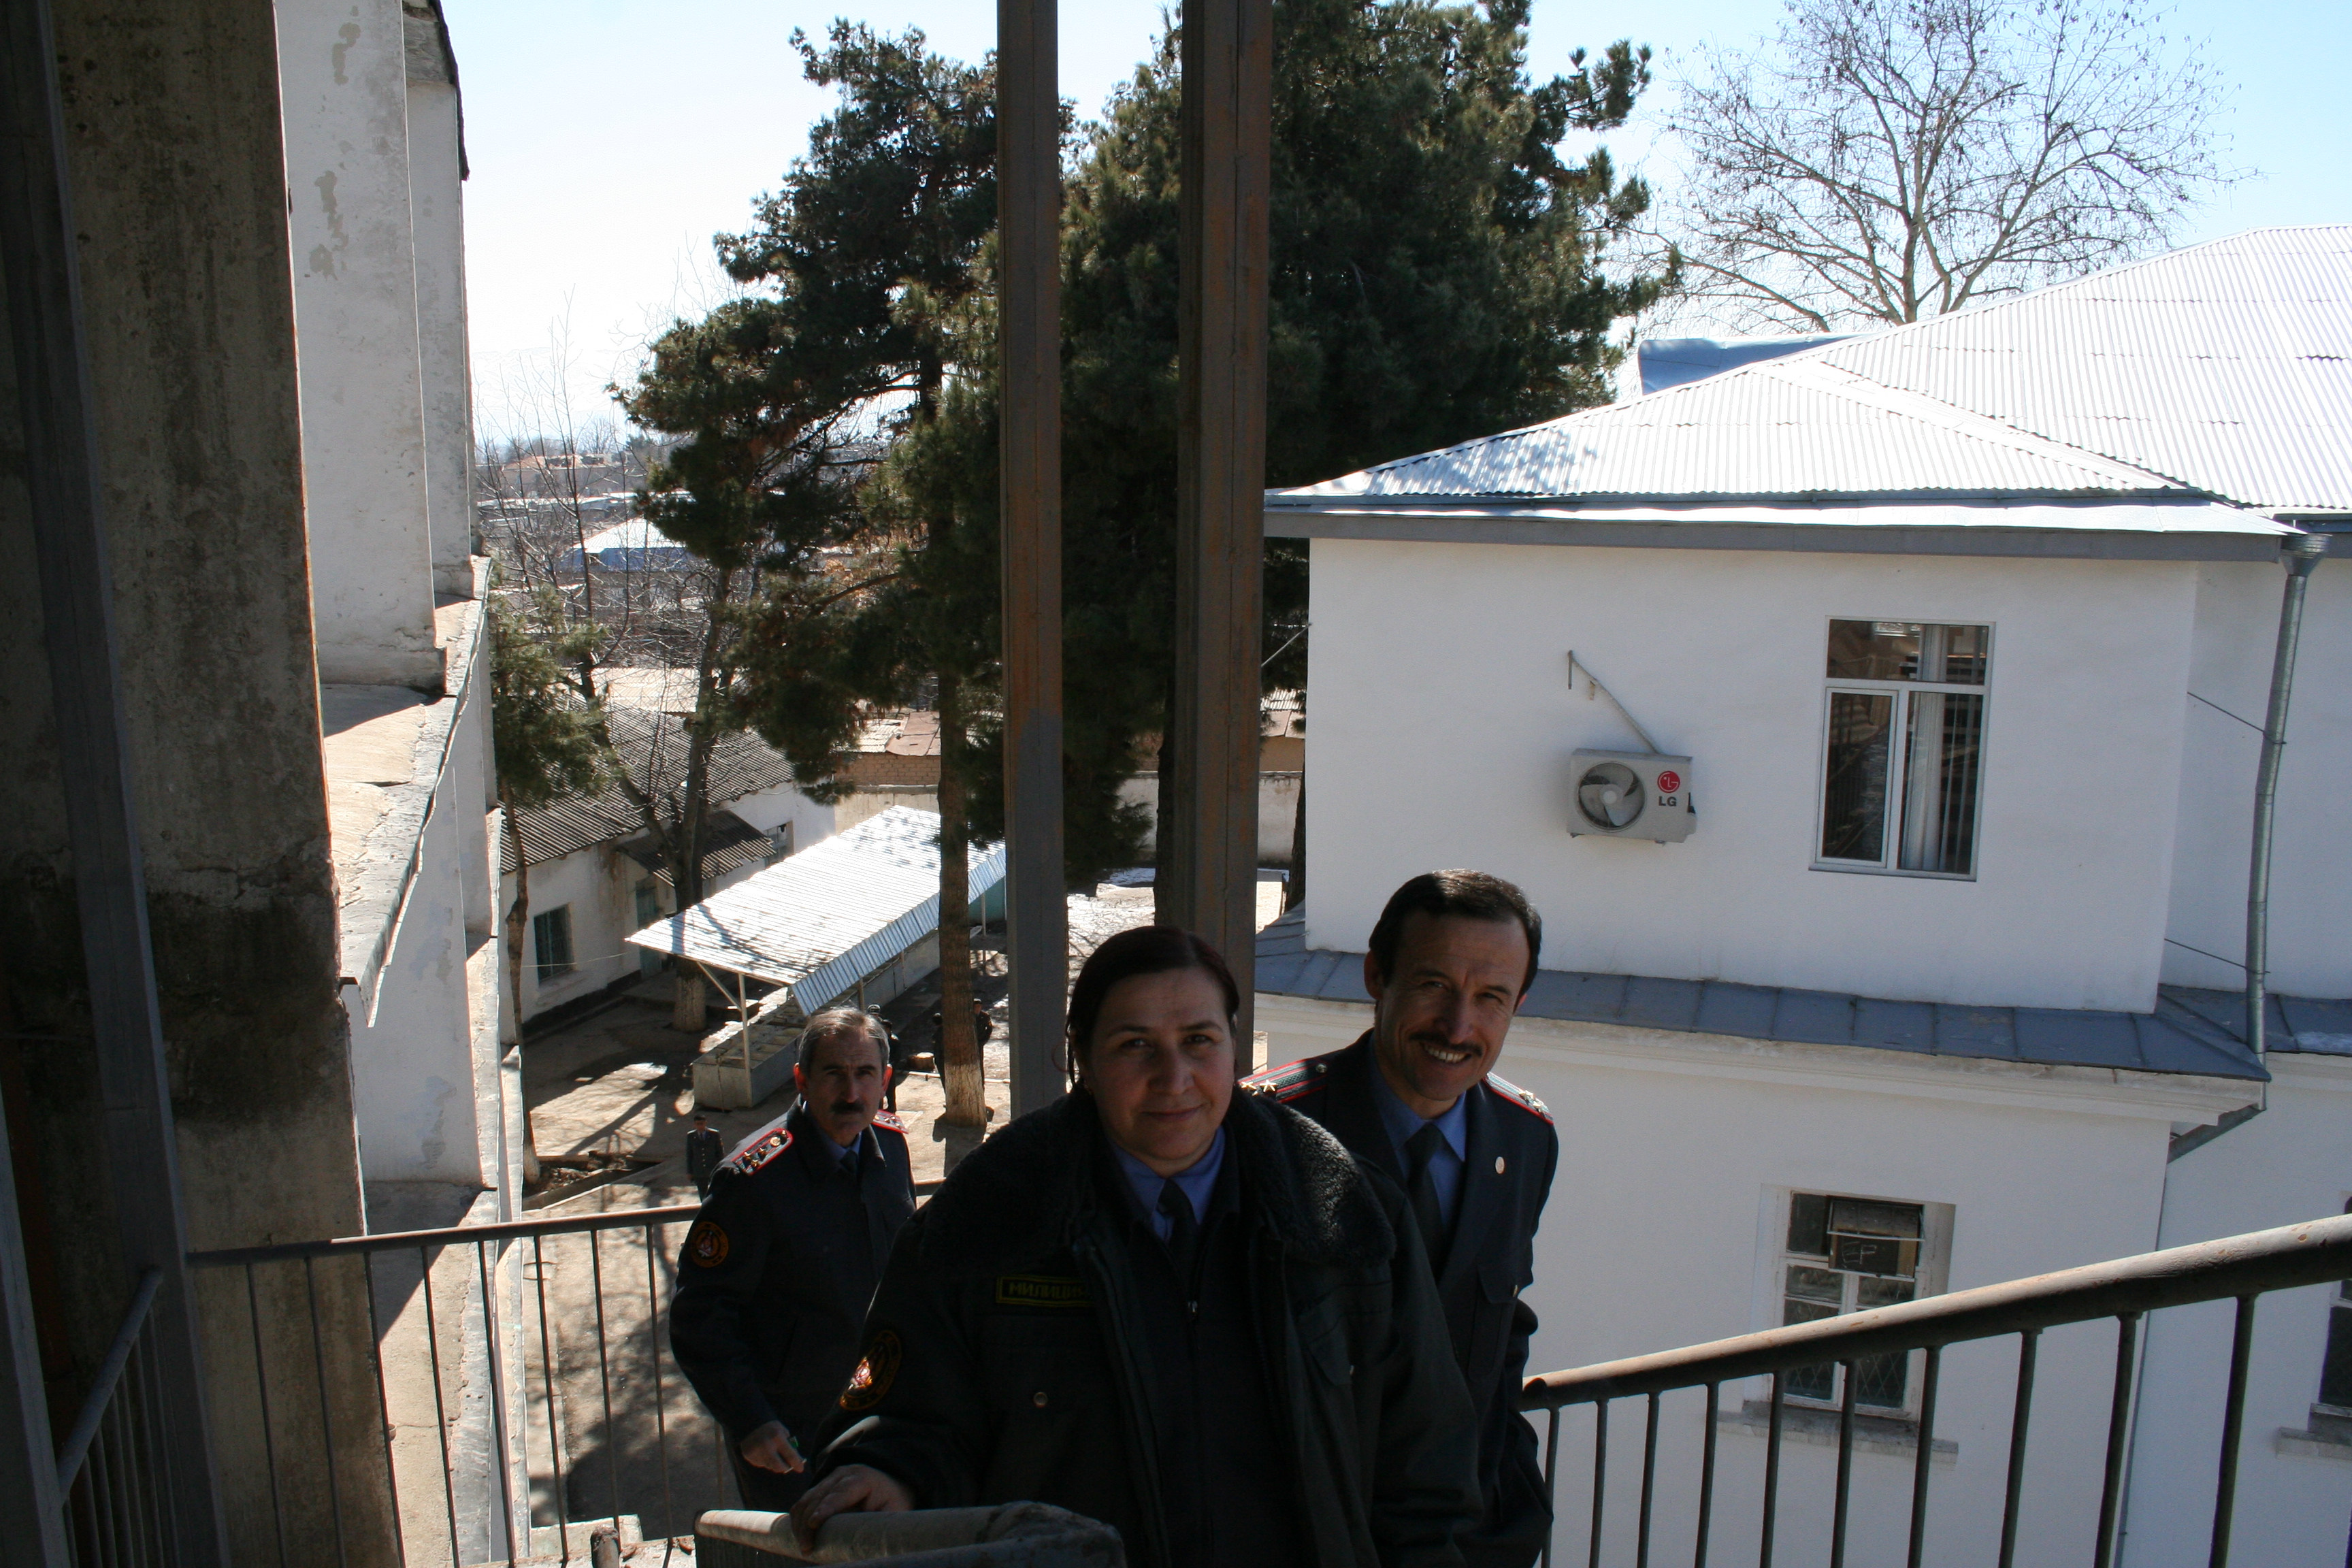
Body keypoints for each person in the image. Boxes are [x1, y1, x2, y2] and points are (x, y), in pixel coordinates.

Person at [791, 926, 1481, 1568]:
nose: (1173, 1078)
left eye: (1199, 1040)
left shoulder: (1344, 1215)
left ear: (1234, 1048)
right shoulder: (985, 1221)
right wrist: (889, 1469)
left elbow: (1428, 1462)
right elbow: (898, 1409)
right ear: (1083, 1060)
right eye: (1134, 1045)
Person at [1245, 871, 1559, 1568]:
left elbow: (1501, 1340)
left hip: (1463, 1544)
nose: (1458, 1026)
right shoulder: (1268, 1134)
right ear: (1376, 977)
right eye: (1433, 985)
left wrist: (1515, 1517)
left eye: (1491, 997)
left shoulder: (1525, 1137)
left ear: (1518, 1005)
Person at [670, 1009, 915, 1510]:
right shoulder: (754, 1180)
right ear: (801, 1079)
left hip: (878, 1409)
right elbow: (700, 1315)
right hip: (791, 1433)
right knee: (800, 1544)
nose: (851, 1093)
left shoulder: (890, 1146)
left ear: (885, 1080)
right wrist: (751, 1420)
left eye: (865, 1074)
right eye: (834, 1074)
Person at [685, 1112, 724, 1200]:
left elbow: (720, 1152)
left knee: (715, 1192)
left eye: (701, 1124)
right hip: (698, 1170)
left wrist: (721, 1168)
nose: (700, 1126)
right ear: (694, 1124)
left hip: (712, 1168)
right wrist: (689, 1171)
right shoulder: (691, 1136)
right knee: (703, 1194)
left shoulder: (714, 1134)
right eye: (698, 1124)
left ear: (705, 1123)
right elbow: (689, 1154)